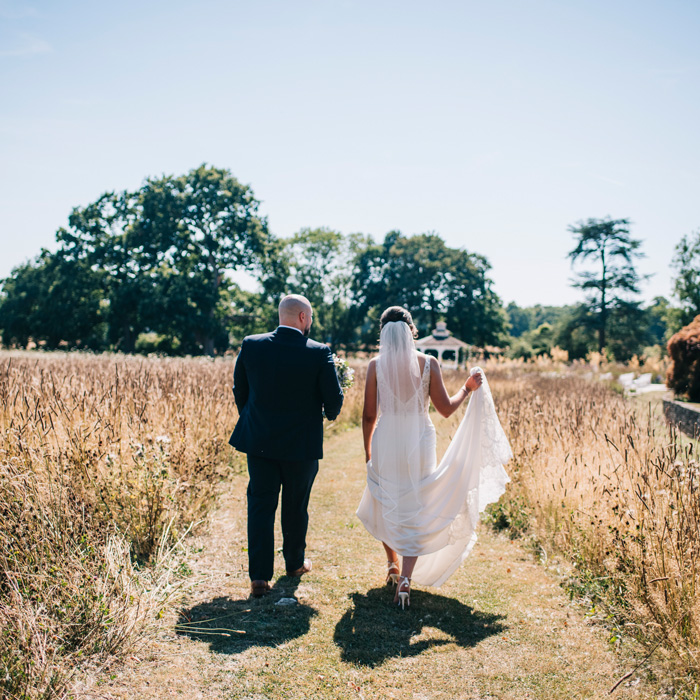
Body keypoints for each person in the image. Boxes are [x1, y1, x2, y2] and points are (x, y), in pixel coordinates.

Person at [357, 306, 512, 609]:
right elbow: (445, 409)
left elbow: (368, 414)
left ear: (383, 333)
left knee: (385, 495)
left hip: (387, 438)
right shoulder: (429, 363)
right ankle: (405, 579)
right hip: (419, 440)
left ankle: (391, 565)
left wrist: (367, 449)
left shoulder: (376, 365)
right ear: (412, 331)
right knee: (415, 504)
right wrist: (466, 389)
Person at [230, 294, 344, 598]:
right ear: (303, 318)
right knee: (296, 505)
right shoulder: (319, 352)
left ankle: (259, 577)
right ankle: (294, 564)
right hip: (301, 445)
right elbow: (333, 399)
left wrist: (255, 420)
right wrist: (328, 414)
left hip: (260, 442)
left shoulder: (251, 344)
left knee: (260, 504)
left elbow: (239, 389)